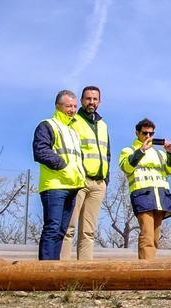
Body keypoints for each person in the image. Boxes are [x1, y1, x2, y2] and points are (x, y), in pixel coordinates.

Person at [32, 90, 85, 261]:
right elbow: (41, 151)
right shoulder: (47, 125)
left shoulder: (73, 131)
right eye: (69, 106)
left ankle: (54, 269)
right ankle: (45, 271)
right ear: (58, 106)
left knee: (62, 230)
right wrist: (63, 166)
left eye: (75, 106)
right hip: (54, 186)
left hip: (72, 186)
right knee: (52, 228)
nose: (72, 109)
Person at [61, 85, 111, 261]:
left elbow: (107, 153)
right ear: (82, 100)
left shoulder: (103, 125)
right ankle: (64, 272)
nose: (92, 102)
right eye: (88, 98)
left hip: (98, 184)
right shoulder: (74, 121)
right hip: (79, 182)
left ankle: (85, 272)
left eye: (95, 99)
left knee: (88, 232)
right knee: (69, 228)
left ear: (99, 101)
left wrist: (106, 178)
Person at [118, 118, 171, 259]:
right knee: (147, 235)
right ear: (137, 133)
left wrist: (170, 153)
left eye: (151, 134)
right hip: (142, 196)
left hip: (161, 197)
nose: (148, 137)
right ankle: (145, 271)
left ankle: (151, 267)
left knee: (155, 238)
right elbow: (126, 167)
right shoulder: (128, 150)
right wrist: (141, 151)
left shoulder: (159, 153)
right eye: (145, 133)